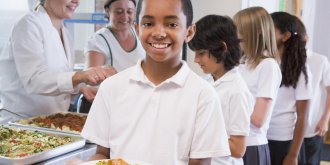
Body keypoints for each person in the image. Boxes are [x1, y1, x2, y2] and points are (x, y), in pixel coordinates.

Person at [74, 0, 231, 164]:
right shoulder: (111, 87)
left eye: (171, 24)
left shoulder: (203, 95)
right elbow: (101, 155)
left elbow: (200, 163)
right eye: (148, 23)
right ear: (137, 29)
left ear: (189, 32)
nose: (159, 33)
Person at [0, 0, 113, 124]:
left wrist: (81, 87)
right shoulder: (28, 24)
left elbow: (57, 79)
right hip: (20, 123)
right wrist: (81, 75)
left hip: (52, 122)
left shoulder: (65, 33)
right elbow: (34, 80)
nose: (76, 1)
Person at [188, 14, 253, 165]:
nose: (196, 60)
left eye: (201, 53)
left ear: (222, 48)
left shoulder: (237, 91)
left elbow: (238, 149)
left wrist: (201, 129)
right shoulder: (208, 81)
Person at [233, 7, 282, 165]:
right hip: (234, 141)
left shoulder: (268, 66)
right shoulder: (242, 63)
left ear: (255, 34)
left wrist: (228, 106)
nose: (235, 39)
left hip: (252, 145)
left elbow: (258, 119)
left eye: (240, 37)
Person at [79, 0, 145, 112]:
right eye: (119, 12)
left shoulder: (140, 34)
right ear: (108, 11)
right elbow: (91, 80)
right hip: (108, 106)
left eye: (129, 11)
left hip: (136, 104)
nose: (125, 16)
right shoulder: (98, 40)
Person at [267, 12, 312, 165]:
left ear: (285, 36)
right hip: (259, 138)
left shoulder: (299, 69)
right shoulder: (265, 62)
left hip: (282, 141)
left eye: (270, 31)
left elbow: (302, 116)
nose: (264, 35)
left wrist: (293, 155)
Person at [295, 15, 330, 165]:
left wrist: (325, 119)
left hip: (313, 126)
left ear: (306, 39)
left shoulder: (320, 60)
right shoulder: (280, 60)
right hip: (288, 129)